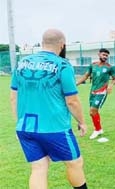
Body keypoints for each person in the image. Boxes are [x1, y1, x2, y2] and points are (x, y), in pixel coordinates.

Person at [10, 29, 88, 189]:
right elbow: (72, 100)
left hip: (25, 127)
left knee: (39, 168)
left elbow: (13, 97)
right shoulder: (63, 65)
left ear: (43, 43)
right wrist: (82, 122)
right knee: (75, 163)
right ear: (62, 44)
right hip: (54, 127)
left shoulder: (22, 63)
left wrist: (19, 123)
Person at [76, 48, 115, 140]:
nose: (105, 57)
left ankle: (97, 130)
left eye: (107, 56)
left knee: (92, 111)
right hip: (93, 91)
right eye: (103, 55)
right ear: (99, 54)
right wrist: (76, 84)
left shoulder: (109, 67)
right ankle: (100, 129)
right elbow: (86, 76)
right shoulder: (93, 65)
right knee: (93, 113)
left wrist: (111, 85)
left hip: (102, 91)